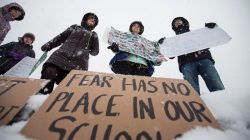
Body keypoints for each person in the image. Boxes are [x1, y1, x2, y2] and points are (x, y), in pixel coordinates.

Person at [159, 17, 224, 94]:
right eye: (175, 23)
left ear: (184, 23)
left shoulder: (197, 34)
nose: (177, 22)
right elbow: (171, 56)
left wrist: (210, 30)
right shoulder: (174, 41)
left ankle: (224, 102)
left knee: (215, 84)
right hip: (186, 63)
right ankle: (194, 104)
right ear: (174, 27)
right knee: (192, 90)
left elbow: (209, 41)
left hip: (204, 59)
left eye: (179, 21)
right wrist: (163, 44)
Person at [39, 12, 99, 94]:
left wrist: (95, 39)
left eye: (94, 20)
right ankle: (39, 99)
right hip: (60, 57)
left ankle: (59, 104)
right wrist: (49, 44)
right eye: (90, 18)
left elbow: (95, 52)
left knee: (69, 88)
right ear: (85, 19)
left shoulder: (93, 35)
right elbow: (61, 37)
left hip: (79, 63)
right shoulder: (74, 27)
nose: (93, 20)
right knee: (49, 73)